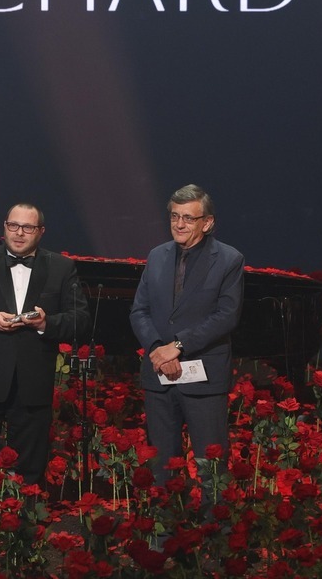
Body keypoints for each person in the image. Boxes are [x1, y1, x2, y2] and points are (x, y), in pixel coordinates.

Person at [0, 203, 90, 488]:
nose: (19, 233)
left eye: (28, 227)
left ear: (41, 231)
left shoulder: (61, 267)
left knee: (29, 472)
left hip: (33, 384)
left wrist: (46, 323)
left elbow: (80, 319)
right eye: (14, 226)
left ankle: (25, 515)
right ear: (5, 226)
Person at [129, 184, 244, 492]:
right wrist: (158, 349)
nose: (179, 224)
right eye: (174, 216)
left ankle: (212, 523)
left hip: (203, 379)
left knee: (211, 469)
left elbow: (226, 316)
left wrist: (177, 347)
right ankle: (166, 522)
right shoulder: (156, 256)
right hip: (159, 376)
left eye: (188, 218)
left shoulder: (229, 259)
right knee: (162, 467)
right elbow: (139, 311)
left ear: (207, 223)